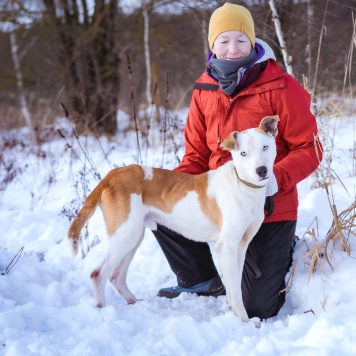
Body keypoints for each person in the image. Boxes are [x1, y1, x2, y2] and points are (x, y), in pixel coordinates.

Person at [151, 2, 322, 320]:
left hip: (269, 206)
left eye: (241, 40)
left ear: (253, 42)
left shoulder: (281, 87)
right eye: (224, 41)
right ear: (212, 45)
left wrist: (276, 179)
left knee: (258, 307)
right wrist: (173, 188)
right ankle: (201, 277)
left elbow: (309, 148)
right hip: (218, 199)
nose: (233, 49)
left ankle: (284, 248)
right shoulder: (204, 88)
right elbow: (196, 155)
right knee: (157, 200)